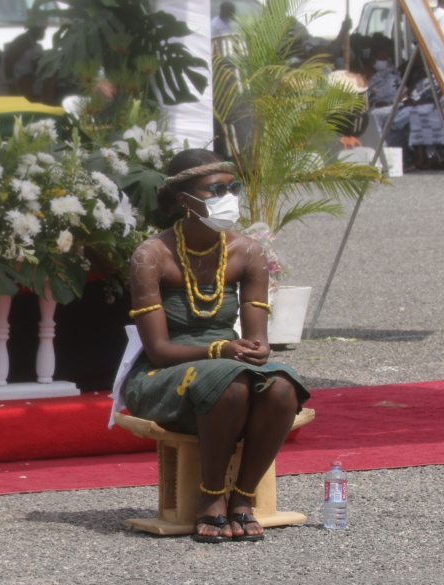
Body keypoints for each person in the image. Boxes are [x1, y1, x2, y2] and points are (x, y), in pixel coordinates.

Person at [119, 149, 309, 543]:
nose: (228, 196)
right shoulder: (151, 256)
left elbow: (257, 339)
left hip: (229, 361)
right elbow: (157, 350)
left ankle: (241, 498)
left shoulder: (248, 252)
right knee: (231, 384)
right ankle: (211, 498)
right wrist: (217, 352)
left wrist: (258, 350)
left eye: (232, 187)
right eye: (215, 189)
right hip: (163, 372)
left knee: (282, 387)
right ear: (184, 200)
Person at [3, 21, 47, 100]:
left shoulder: (35, 44)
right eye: (42, 30)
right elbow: (8, 60)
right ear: (34, 29)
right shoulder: (22, 41)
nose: (44, 33)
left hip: (33, 83)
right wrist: (10, 83)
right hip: (21, 83)